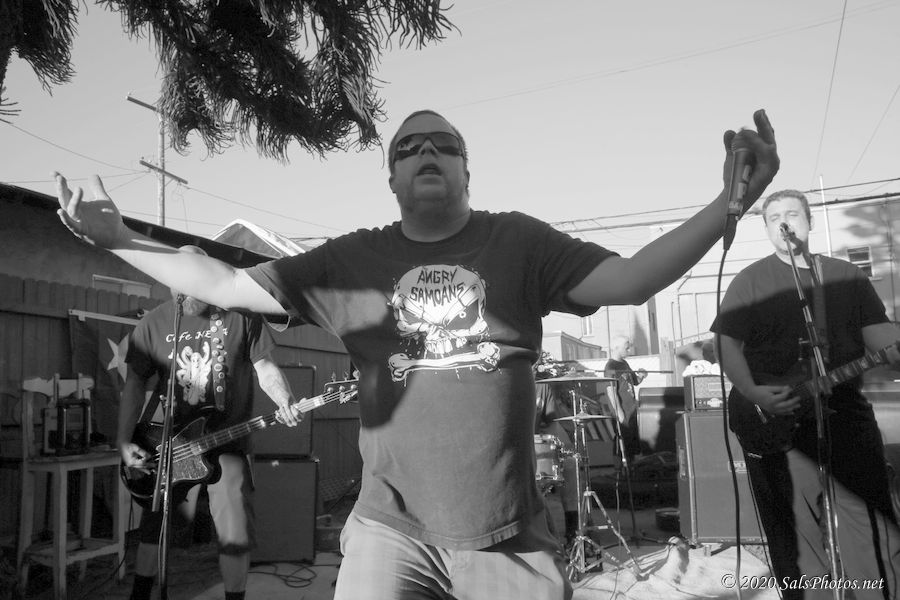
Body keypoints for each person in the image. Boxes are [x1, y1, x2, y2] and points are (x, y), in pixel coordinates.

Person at [55, 108, 778, 599]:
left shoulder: (520, 243)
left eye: (443, 144)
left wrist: (729, 206)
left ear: (467, 171)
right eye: (408, 147)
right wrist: (120, 239)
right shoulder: (352, 261)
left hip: (508, 537)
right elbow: (220, 281)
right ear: (393, 180)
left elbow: (631, 280)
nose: (426, 152)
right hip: (389, 530)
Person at [711, 189, 900, 599]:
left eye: (793, 214)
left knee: (872, 528)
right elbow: (725, 345)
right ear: (766, 229)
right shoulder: (751, 281)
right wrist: (754, 392)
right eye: (773, 217)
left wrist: (894, 349)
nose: (784, 222)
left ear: (809, 222)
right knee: (796, 541)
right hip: (777, 421)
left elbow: (880, 338)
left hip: (846, 415)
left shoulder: (845, 276)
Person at [118, 245, 301, 600]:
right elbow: (135, 384)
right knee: (154, 527)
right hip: (170, 445)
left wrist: (284, 399)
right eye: (177, 279)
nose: (184, 289)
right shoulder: (154, 322)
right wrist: (124, 441)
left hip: (227, 443)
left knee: (234, 533)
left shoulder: (240, 315)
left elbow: (264, 367)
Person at [603, 335, 646, 461]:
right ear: (617, 348)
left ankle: (632, 467)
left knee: (633, 443)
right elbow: (611, 392)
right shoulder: (610, 367)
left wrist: (642, 375)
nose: (629, 350)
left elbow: (635, 381)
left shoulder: (625, 364)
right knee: (622, 442)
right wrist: (619, 414)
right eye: (626, 348)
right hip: (622, 412)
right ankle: (620, 468)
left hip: (631, 410)